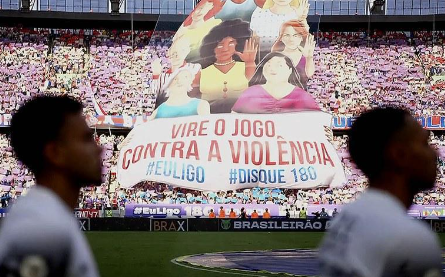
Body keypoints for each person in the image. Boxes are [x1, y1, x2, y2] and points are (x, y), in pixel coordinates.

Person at [319, 107, 441, 277]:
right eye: (424, 143)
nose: (435, 153)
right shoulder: (412, 237)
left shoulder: (346, 217)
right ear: (398, 155)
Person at [0, 96, 101, 277]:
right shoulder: (41, 229)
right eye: (86, 139)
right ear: (54, 153)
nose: (99, 149)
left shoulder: (48, 216)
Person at [199, 19, 258, 113]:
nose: (225, 49)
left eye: (231, 43)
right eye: (220, 45)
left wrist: (250, 62)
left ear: (238, 44)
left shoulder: (247, 66)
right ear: (212, 47)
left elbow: (255, 87)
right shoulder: (201, 73)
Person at [232, 52, 319, 113]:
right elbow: (234, 119)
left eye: (279, 65)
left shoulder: (302, 96)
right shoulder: (251, 92)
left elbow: (317, 122)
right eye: (269, 64)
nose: (272, 68)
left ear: (290, 70)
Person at [151, 36, 202, 107]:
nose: (178, 55)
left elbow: (196, 94)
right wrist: (156, 75)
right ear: (168, 52)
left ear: (188, 50)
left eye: (182, 50)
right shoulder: (161, 76)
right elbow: (153, 98)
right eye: (174, 51)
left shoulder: (195, 68)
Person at [271, 20, 315, 90]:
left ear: (301, 38)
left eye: (295, 35)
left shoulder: (305, 56)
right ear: (281, 38)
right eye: (287, 35)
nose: (291, 39)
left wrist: (309, 58)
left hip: (300, 98)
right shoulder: (275, 57)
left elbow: (309, 74)